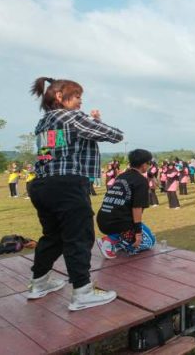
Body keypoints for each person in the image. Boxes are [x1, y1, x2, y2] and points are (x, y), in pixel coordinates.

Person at [27, 77, 123, 311]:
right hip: (67, 186)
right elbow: (115, 135)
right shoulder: (71, 117)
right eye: (77, 96)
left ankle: (39, 283)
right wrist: (97, 121)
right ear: (60, 96)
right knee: (78, 237)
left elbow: (55, 152)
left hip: (42, 184)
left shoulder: (44, 122)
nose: (81, 102)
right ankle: (82, 292)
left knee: (53, 236)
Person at [96, 149, 156, 259]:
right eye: (149, 163)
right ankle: (109, 241)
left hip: (103, 219)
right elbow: (137, 208)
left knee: (145, 237)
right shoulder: (141, 181)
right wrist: (138, 232)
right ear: (144, 165)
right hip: (118, 223)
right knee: (150, 241)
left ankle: (118, 241)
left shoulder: (121, 176)